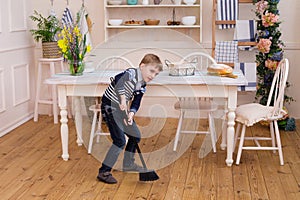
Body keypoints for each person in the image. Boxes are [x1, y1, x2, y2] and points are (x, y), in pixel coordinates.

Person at [97, 53, 163, 184]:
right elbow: (118, 81)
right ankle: (104, 172)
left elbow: (136, 101)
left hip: (122, 109)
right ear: (142, 66)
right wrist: (122, 99)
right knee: (120, 140)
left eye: (156, 74)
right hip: (110, 107)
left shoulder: (142, 84)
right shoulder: (131, 73)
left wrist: (131, 114)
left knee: (135, 135)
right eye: (151, 71)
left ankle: (128, 163)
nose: (152, 76)